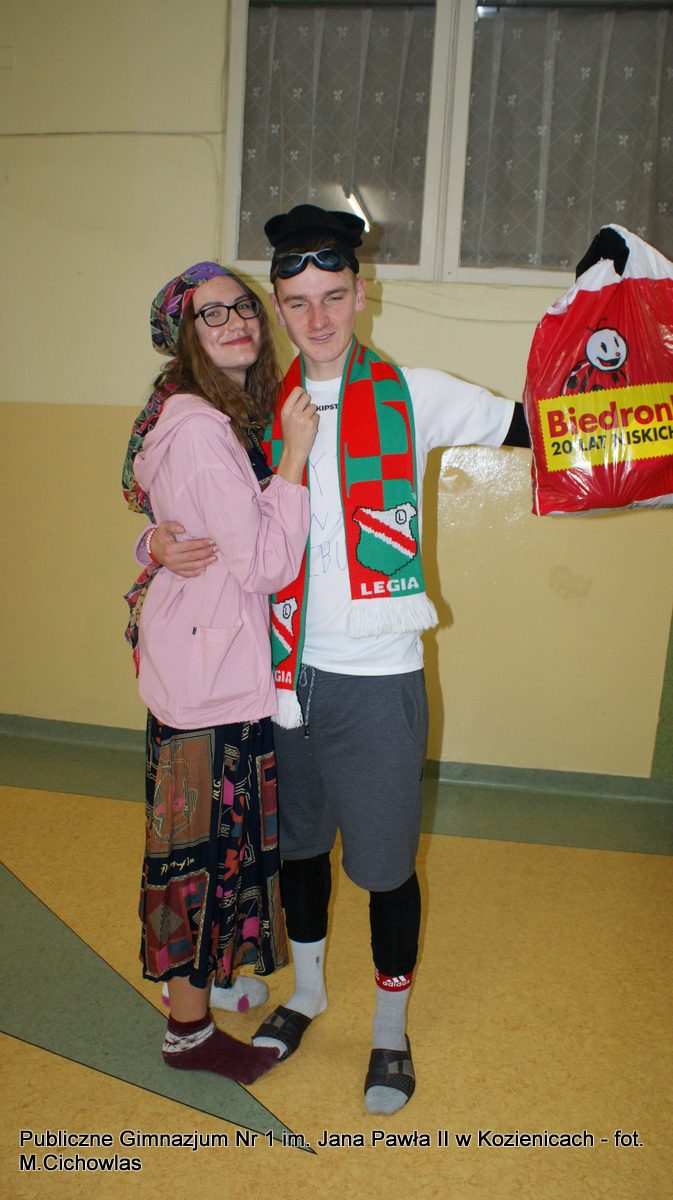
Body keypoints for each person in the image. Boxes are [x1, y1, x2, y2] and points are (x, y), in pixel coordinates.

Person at [144, 209, 531, 1111]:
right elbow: (175, 501)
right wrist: (151, 544)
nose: (315, 319)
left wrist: (623, 393)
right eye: (296, 302)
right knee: (301, 854)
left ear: (362, 294)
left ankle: (390, 1031)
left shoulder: (414, 394)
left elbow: (532, 429)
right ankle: (309, 995)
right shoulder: (251, 413)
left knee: (387, 867)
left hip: (378, 677)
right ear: (278, 310)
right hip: (275, 678)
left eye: (332, 296)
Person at [123, 260, 318, 1085]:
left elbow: (171, 516)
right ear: (184, 337)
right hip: (210, 678)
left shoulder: (199, 414)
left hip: (198, 661)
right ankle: (188, 1034)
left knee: (205, 846)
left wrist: (151, 542)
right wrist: (295, 461)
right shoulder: (205, 429)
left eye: (243, 307)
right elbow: (266, 563)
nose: (236, 321)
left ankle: (209, 986)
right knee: (199, 858)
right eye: (211, 314)